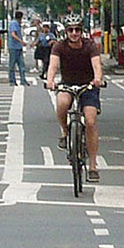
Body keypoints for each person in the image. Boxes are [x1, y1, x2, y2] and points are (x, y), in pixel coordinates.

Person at [45, 14, 103, 182]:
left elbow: (97, 66)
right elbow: (53, 65)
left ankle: (92, 165)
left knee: (90, 121)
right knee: (62, 103)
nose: (74, 33)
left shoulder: (90, 46)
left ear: (82, 31)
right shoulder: (59, 47)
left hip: (88, 85)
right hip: (67, 84)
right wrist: (50, 81)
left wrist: (97, 78)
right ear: (66, 32)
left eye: (77, 29)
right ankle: (65, 131)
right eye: (71, 30)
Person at [7, 10, 29, 86]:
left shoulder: (17, 24)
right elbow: (13, 34)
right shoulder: (14, 24)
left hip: (18, 47)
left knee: (21, 65)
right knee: (12, 65)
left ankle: (23, 80)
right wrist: (21, 41)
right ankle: (12, 81)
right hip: (13, 47)